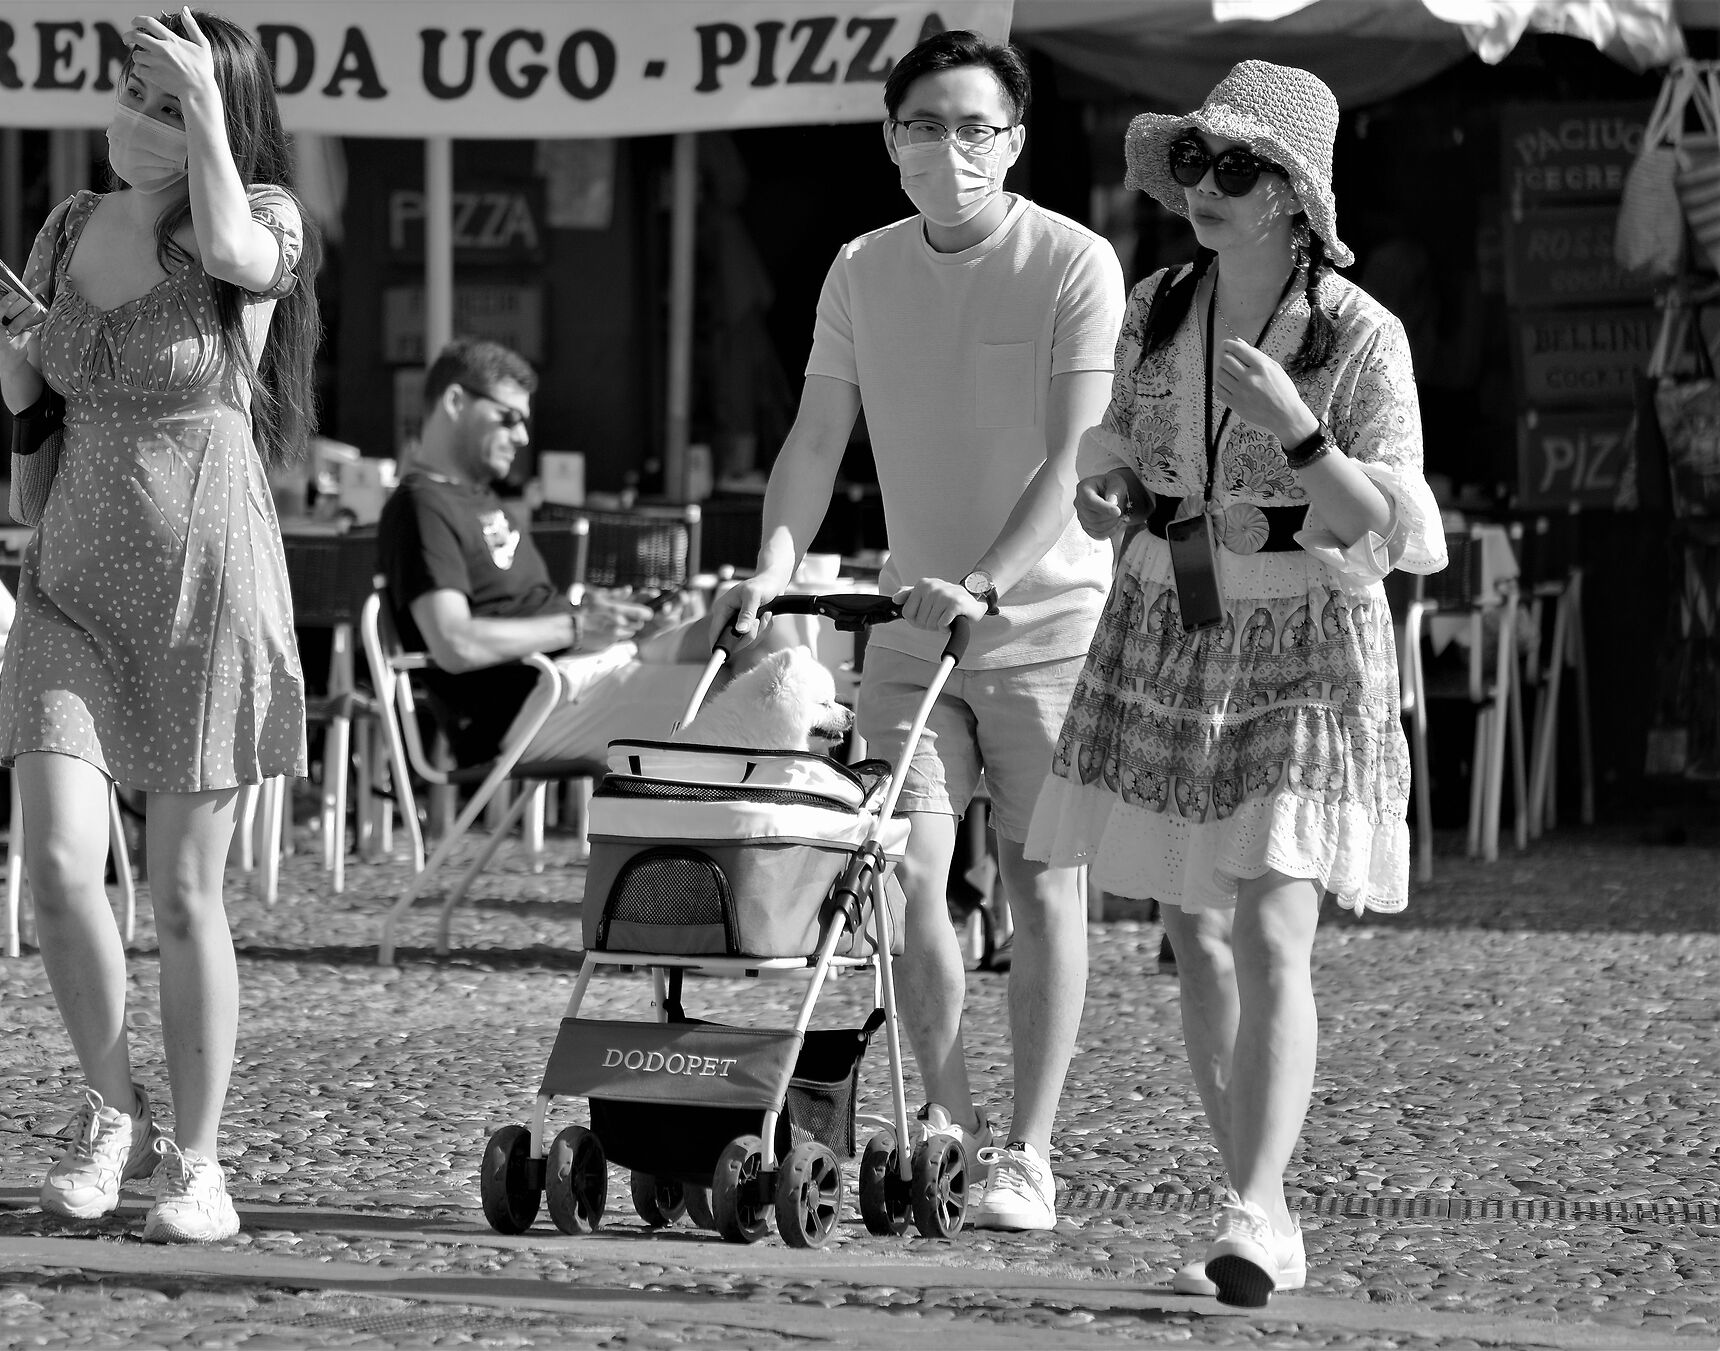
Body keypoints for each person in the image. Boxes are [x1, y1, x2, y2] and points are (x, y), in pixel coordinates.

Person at [1024, 61, 1445, 1306]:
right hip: (1173, 614)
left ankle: (1257, 1210)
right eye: (1197, 164)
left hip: (1307, 632)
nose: (1206, 187)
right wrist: (1107, 490)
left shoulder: (1360, 333)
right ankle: (1249, 1191)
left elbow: (1393, 527)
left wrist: (1301, 432)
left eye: (1239, 168)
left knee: (1272, 922)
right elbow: (1121, 491)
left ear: (1297, 196)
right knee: (1193, 933)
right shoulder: (1155, 304)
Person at [712, 29, 1124, 1234]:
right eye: (925, 126)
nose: (951, 149)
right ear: (890, 139)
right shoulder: (861, 268)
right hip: (905, 629)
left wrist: (990, 581)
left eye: (975, 127)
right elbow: (813, 439)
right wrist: (771, 566)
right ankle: (943, 1124)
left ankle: (1029, 1150)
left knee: (1048, 887)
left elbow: (1071, 454)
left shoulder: (1074, 262)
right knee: (898, 872)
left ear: (1016, 141)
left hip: (1047, 624)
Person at [0, 5, 320, 1244]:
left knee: (182, 895)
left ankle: (201, 1158)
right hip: (71, 579)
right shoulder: (68, 224)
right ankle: (110, 1110)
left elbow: (236, 255)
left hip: (203, 587)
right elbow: (37, 432)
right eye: (131, 92)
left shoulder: (259, 213)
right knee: (61, 870)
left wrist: (210, 114)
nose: (135, 120)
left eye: (164, 104)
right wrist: (14, 359)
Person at [378, 339, 776, 771]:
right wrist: (576, 626)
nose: (522, 436)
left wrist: (603, 615)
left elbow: (521, 611)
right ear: (455, 401)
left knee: (767, 638)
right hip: (525, 708)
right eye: (509, 418)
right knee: (756, 694)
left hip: (578, 676)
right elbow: (455, 643)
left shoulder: (482, 501)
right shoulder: (421, 506)